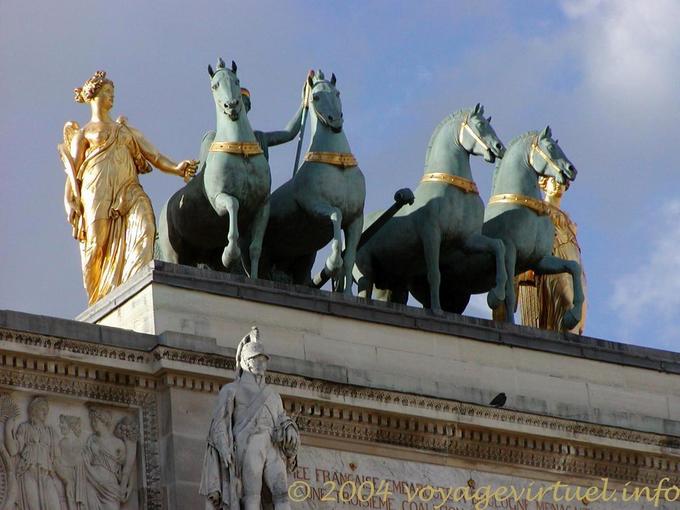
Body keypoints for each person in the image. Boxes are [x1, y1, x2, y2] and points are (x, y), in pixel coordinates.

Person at [59, 70, 198, 305]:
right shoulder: (84, 133)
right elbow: (72, 172)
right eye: (106, 92)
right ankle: (98, 301)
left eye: (113, 93)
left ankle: (136, 292)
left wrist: (177, 168)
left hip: (128, 189)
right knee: (96, 244)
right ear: (93, 96)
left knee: (145, 224)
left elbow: (153, 156)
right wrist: (69, 201)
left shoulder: (125, 130)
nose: (111, 97)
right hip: (95, 190)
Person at [200, 327, 299, 510]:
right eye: (257, 359)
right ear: (246, 361)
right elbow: (219, 423)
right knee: (251, 495)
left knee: (282, 493)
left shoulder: (274, 396)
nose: (262, 364)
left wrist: (290, 430)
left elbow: (283, 421)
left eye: (263, 360)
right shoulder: (231, 390)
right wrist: (224, 449)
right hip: (248, 445)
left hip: (272, 445)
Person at [517, 176, 588, 334]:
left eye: (562, 181)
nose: (559, 184)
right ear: (543, 183)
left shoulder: (568, 221)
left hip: (574, 266)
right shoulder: (538, 210)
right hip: (552, 267)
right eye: (553, 179)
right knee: (563, 305)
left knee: (578, 318)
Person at [3, 396, 61, 510]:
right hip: (28, 473)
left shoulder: (50, 432)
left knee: (55, 505)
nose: (45, 411)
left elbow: (57, 458)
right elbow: (13, 450)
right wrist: (7, 429)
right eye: (42, 408)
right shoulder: (24, 428)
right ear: (34, 410)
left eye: (47, 409)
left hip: (46, 475)